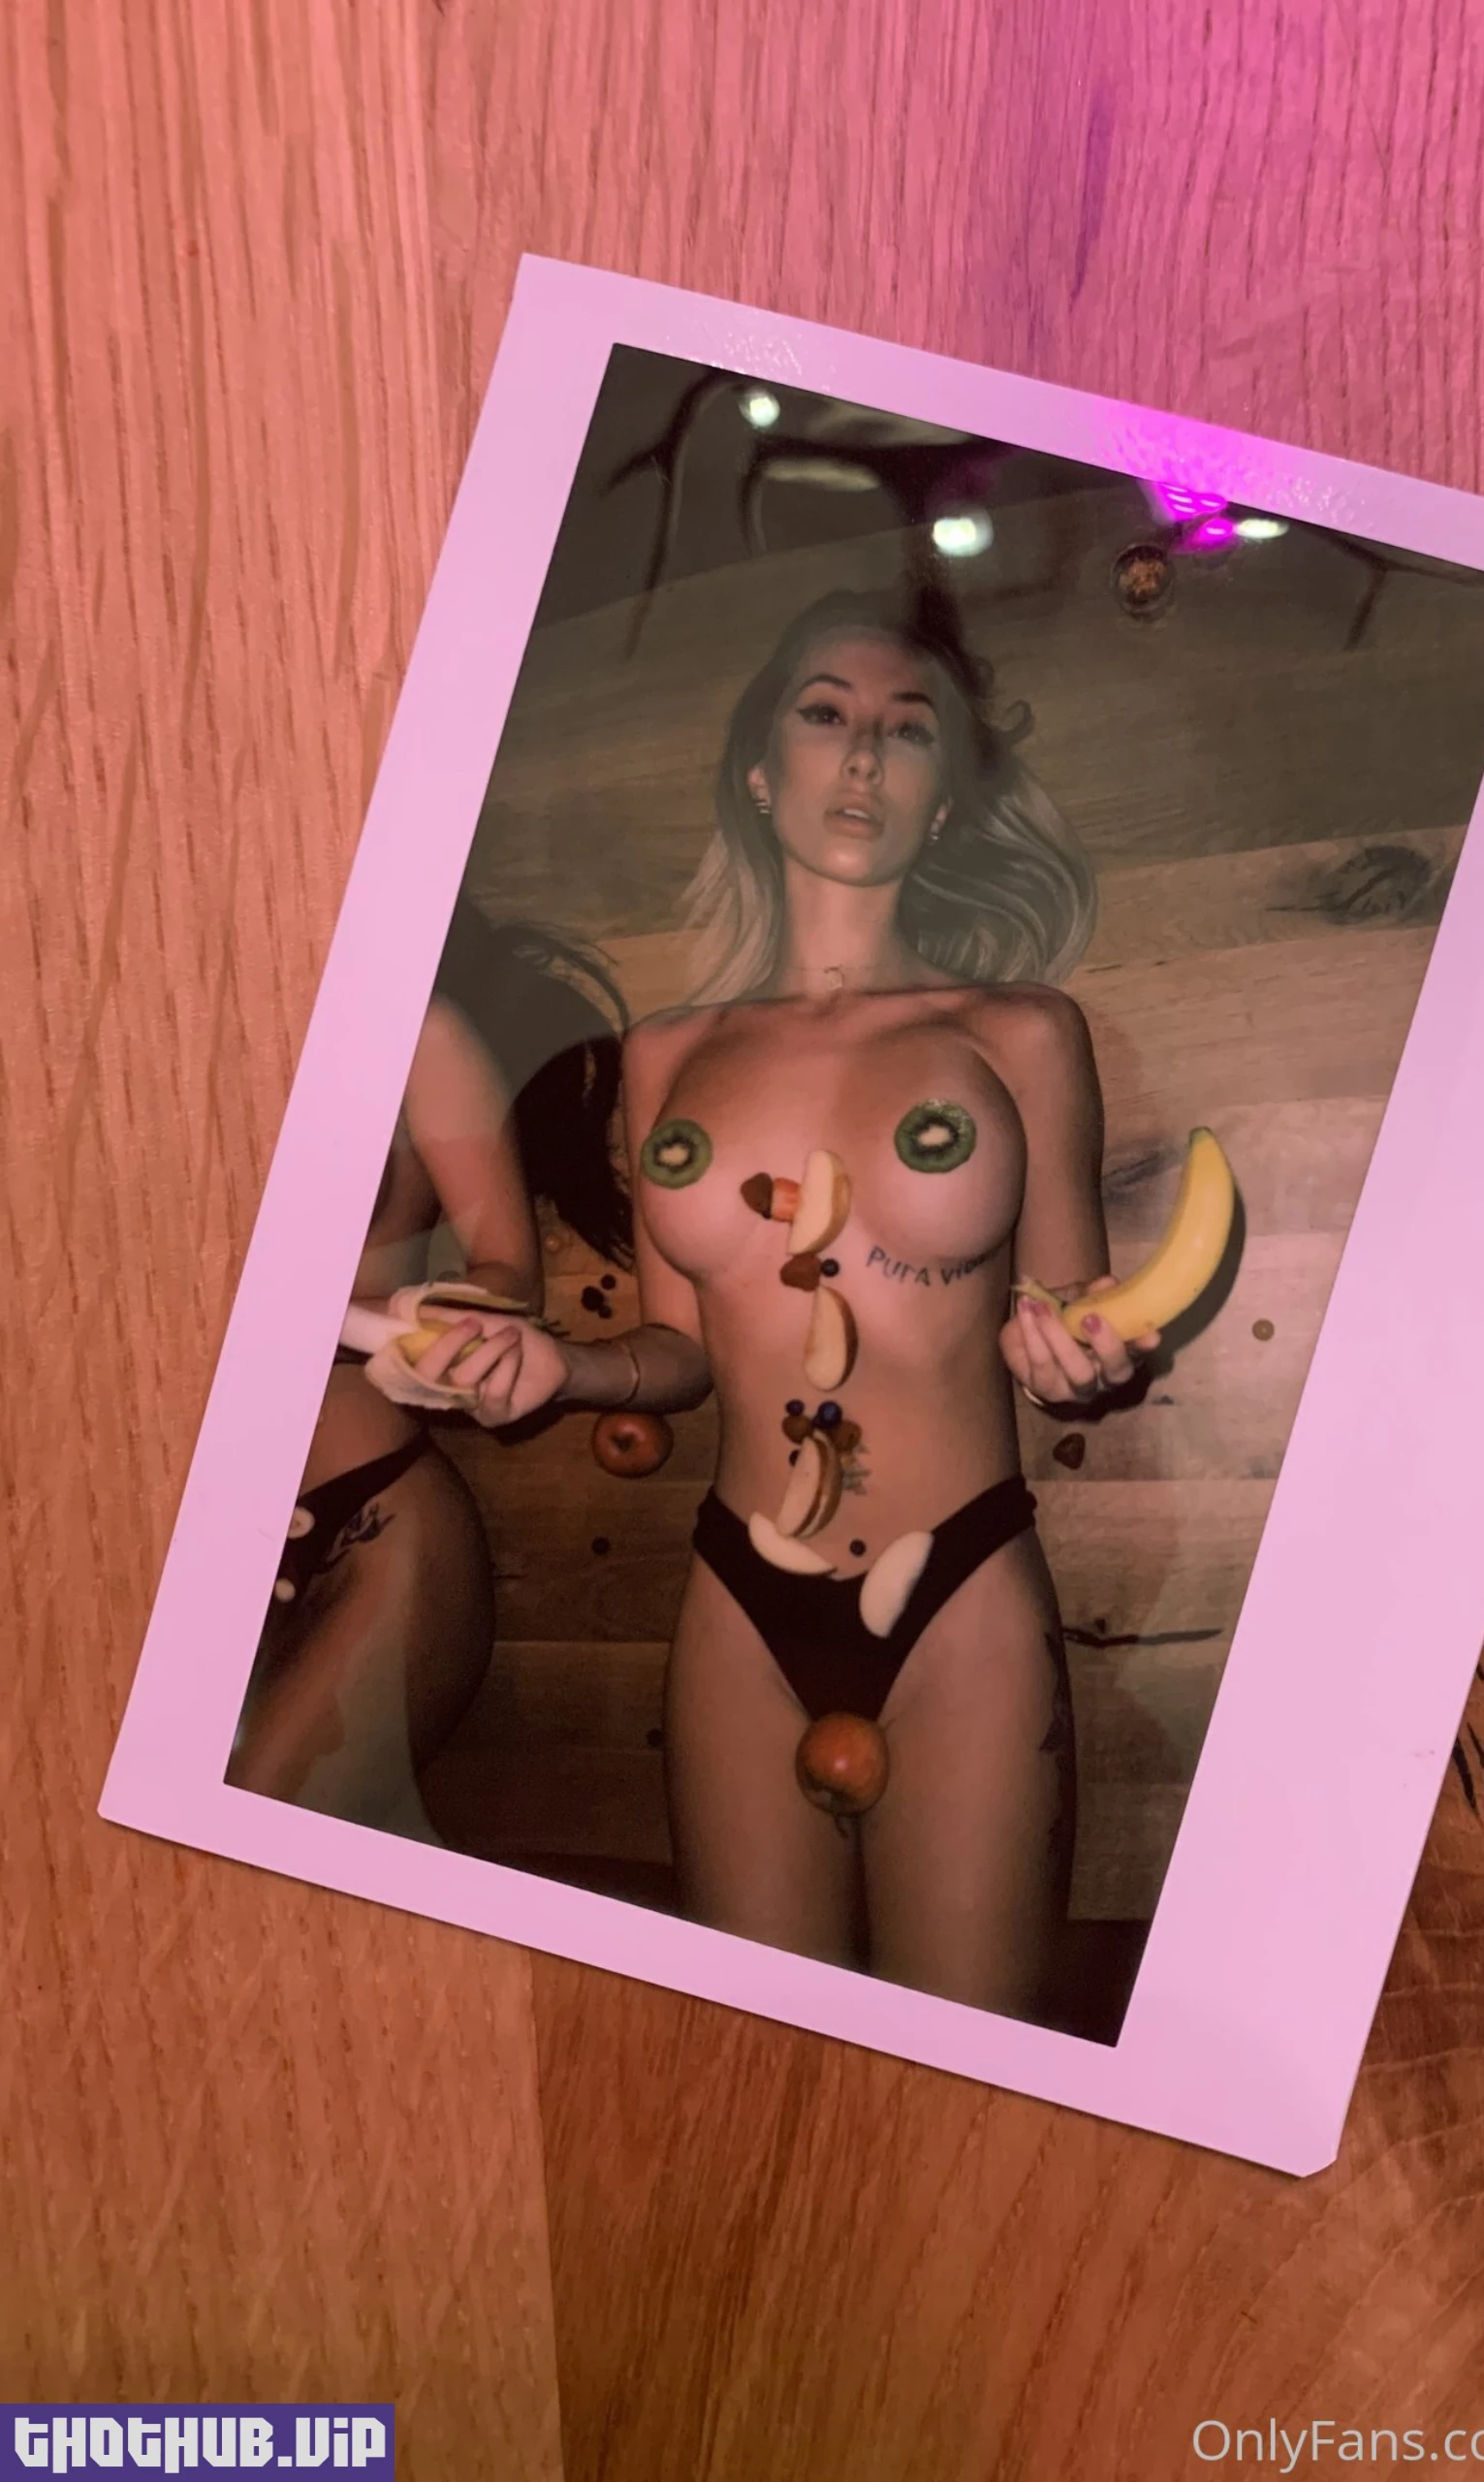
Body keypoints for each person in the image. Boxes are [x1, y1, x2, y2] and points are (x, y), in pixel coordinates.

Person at [621, 585, 1155, 2020]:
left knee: (969, 2067)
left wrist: (1083, 1355)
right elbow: (674, 1351)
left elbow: (1074, 1309)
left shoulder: (1021, 1031)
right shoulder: (663, 1054)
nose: (863, 752)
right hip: (737, 1598)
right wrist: (559, 1370)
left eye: (909, 730)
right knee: (755, 2062)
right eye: (826, 714)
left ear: (948, 796)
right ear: (760, 771)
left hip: (963, 1591)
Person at [226, 903, 704, 1840]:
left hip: (362, 1521)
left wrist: (429, 1319)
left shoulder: (418, 1033)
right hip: (174, 1538)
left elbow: (506, 1273)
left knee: (240, 1848)